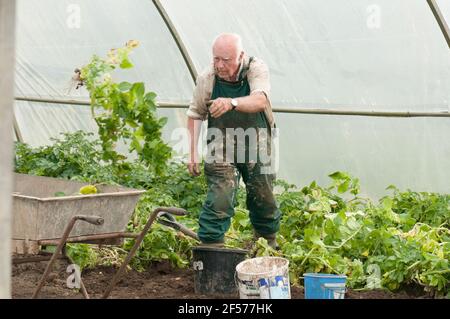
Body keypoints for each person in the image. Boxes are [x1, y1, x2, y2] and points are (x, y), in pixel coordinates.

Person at [186, 33, 281, 249]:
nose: (219, 65)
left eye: (225, 60)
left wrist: (232, 102)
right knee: (221, 193)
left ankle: (267, 242)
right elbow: (195, 114)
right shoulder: (207, 78)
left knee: (262, 192)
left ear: (240, 56)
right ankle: (212, 247)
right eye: (216, 58)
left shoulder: (256, 69)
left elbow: (260, 100)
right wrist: (191, 153)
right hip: (220, 143)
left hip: (256, 140)